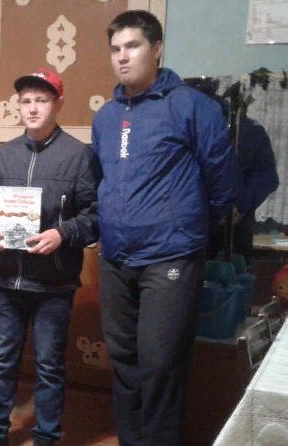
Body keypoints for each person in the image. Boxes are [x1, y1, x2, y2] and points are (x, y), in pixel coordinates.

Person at [91, 11, 239, 446]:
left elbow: (223, 181)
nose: (122, 57)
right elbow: (102, 178)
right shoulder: (106, 116)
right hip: (115, 257)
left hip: (170, 256)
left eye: (132, 46)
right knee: (124, 361)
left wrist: (188, 223)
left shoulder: (193, 106)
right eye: (115, 49)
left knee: (160, 364)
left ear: (157, 49)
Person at [0, 68, 98, 446]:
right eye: (25, 100)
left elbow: (95, 216)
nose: (32, 108)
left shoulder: (79, 156)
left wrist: (63, 234)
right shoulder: (4, 156)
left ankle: (46, 435)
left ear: (58, 103)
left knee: (49, 365)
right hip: (6, 279)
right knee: (2, 361)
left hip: (53, 283)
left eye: (41, 100)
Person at [183, 78, 280, 263]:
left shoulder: (246, 129)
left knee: (229, 277)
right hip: (184, 228)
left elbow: (267, 176)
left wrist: (240, 207)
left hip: (231, 231)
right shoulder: (177, 125)